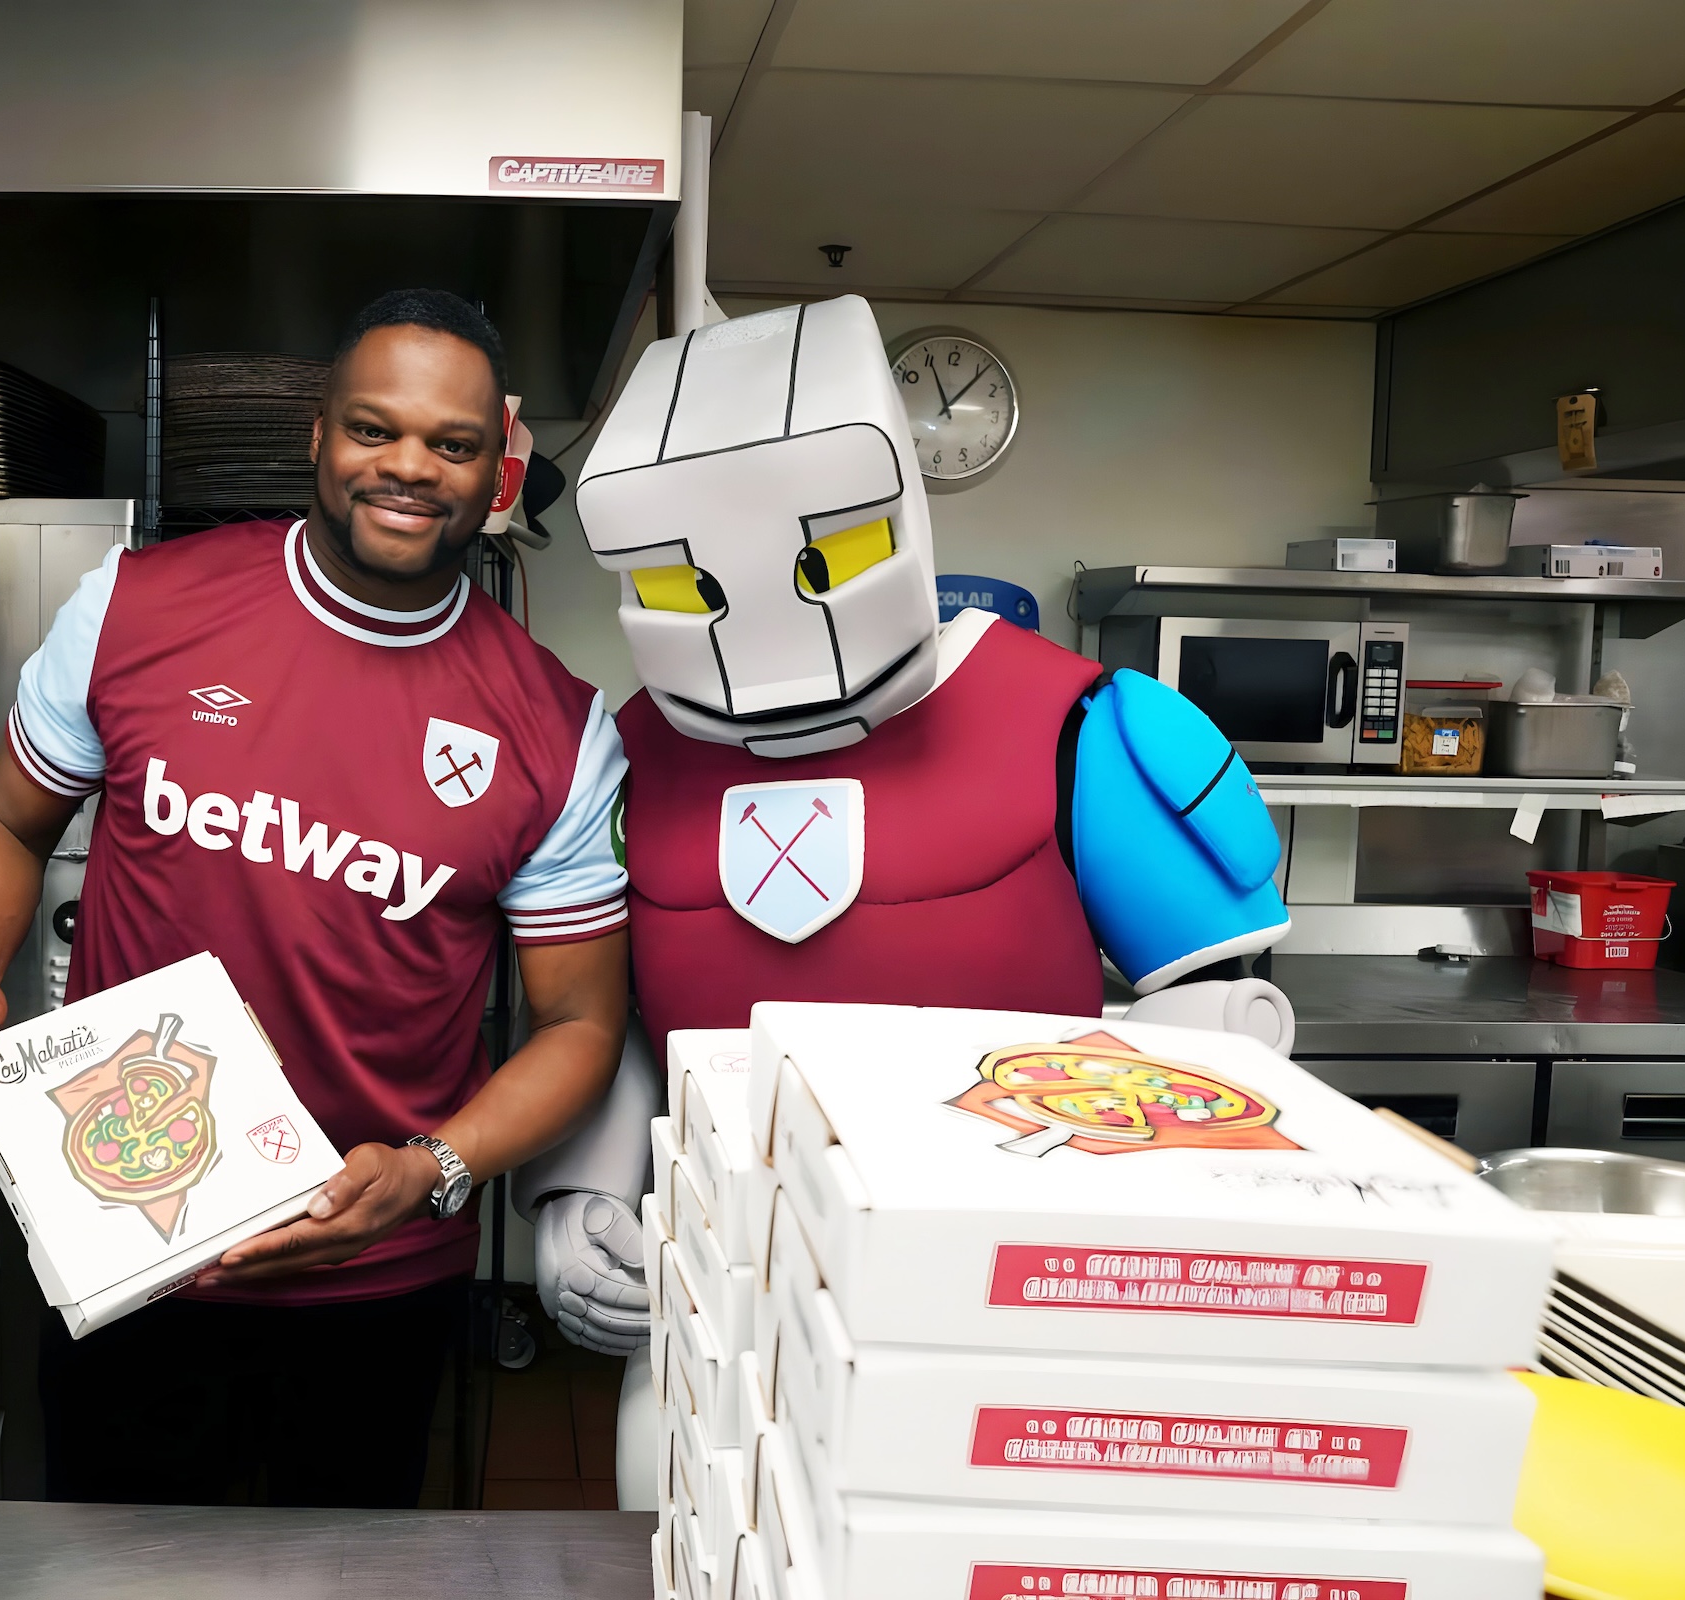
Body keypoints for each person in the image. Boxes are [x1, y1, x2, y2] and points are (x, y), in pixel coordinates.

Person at [0, 288, 632, 1509]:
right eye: (373, 428)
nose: (409, 467)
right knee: (112, 1581)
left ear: (495, 470)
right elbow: (0, 822)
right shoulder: (137, 605)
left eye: (452, 445)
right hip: (125, 1247)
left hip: (379, 1282)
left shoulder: (557, 729)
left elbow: (581, 1027)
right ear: (317, 435)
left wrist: (436, 1167)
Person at [532, 293, 1298, 1372]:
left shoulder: (1077, 728)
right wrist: (582, 1193)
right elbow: (608, 1025)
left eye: (824, 563)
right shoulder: (628, 754)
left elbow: (1209, 1013)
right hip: (730, 1275)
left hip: (1013, 1273)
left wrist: (1199, 1061)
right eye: (679, 584)